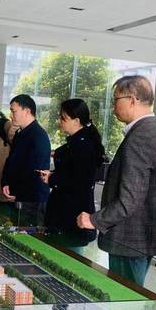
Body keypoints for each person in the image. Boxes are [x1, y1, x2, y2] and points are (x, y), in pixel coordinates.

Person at [77, 75, 156, 286]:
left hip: (129, 239)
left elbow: (129, 199)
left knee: (123, 298)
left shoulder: (141, 136)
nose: (113, 106)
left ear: (132, 100)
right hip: (146, 236)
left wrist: (94, 220)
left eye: (116, 100)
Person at [39, 99, 106, 252]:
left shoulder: (83, 146)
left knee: (67, 255)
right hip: (64, 212)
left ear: (76, 121)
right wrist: (53, 176)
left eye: (64, 118)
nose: (59, 121)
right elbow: (71, 173)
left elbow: (79, 182)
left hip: (72, 215)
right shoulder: (77, 143)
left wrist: (52, 179)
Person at [2, 94, 51, 229]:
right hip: (19, 197)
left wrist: (17, 192)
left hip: (32, 200)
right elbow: (11, 161)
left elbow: (36, 171)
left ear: (27, 111)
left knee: (28, 237)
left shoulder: (38, 135)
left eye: (14, 111)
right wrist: (6, 183)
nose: (11, 115)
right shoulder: (20, 133)